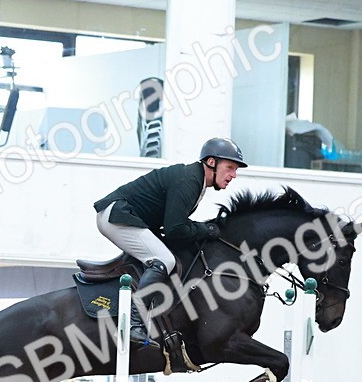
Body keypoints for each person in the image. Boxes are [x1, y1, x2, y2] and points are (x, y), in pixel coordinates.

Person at [93, 136, 248, 345]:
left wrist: (202, 229)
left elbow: (174, 227)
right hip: (117, 216)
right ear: (211, 162)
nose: (233, 175)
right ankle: (133, 322)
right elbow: (175, 229)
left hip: (122, 216)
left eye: (236, 169)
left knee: (166, 256)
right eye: (230, 167)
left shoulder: (196, 181)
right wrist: (205, 229)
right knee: (164, 260)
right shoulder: (190, 180)